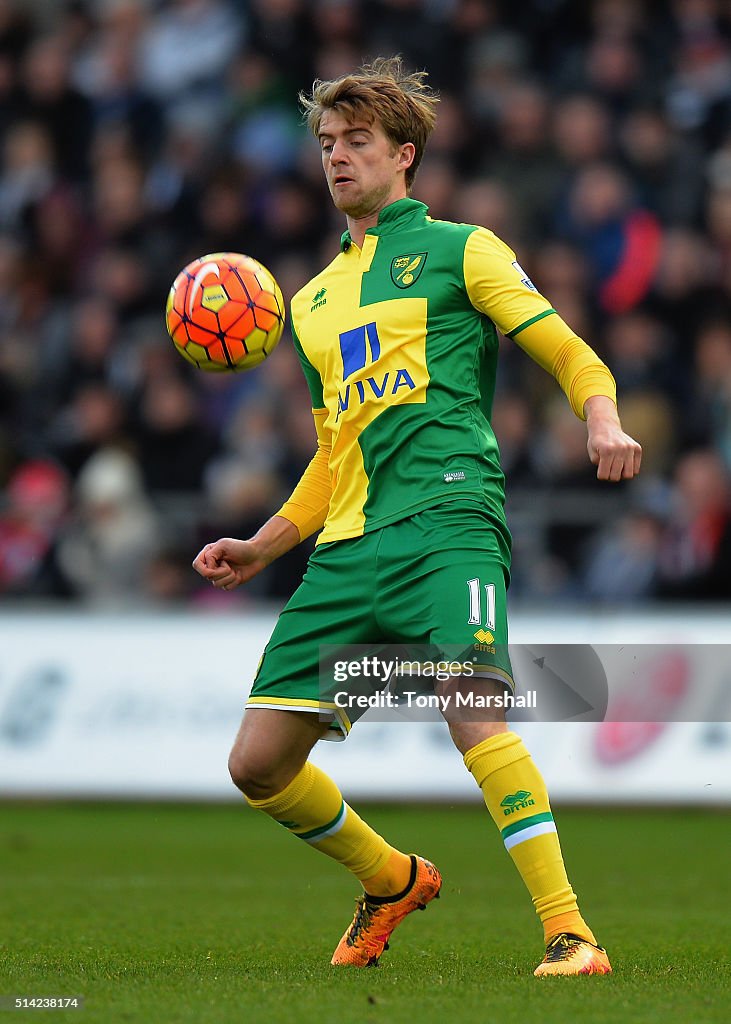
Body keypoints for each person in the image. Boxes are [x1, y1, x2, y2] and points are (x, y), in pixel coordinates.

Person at [193, 57, 642, 976]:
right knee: (256, 766)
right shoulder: (310, 305)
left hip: (448, 520)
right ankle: (393, 879)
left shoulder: (461, 249)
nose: (337, 158)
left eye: (356, 141)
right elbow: (332, 455)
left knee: (472, 711)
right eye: (325, 144)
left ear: (404, 155)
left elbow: (566, 349)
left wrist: (601, 416)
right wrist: (264, 544)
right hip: (350, 551)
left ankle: (569, 933)